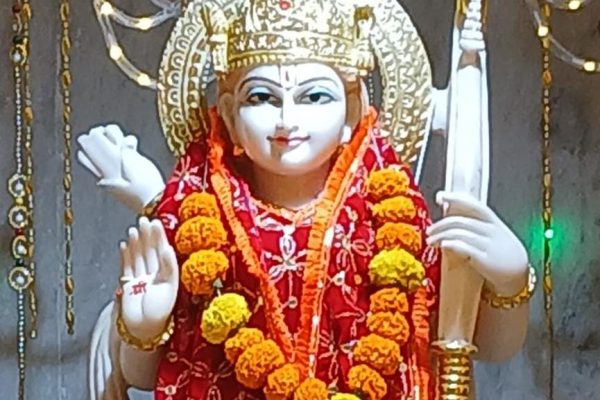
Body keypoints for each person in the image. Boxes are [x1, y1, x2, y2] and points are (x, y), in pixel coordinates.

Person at [79, 0, 531, 398]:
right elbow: (144, 375)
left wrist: (511, 281)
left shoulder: (391, 221)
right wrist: (144, 327)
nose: (287, 120)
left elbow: (473, 343)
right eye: (262, 97)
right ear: (231, 118)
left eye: (314, 96)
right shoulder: (199, 220)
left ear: (351, 114)